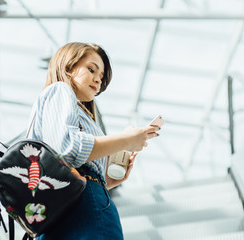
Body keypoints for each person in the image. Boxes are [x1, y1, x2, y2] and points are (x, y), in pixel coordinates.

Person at [27, 42, 160, 240]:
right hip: (85, 210)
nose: (98, 80)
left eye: (101, 77)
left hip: (61, 208)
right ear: (68, 66)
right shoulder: (60, 90)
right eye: (91, 69)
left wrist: (106, 181)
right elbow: (67, 149)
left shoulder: (76, 109)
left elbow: (67, 167)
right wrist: (125, 141)